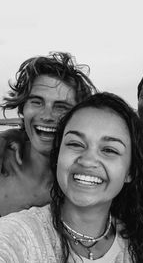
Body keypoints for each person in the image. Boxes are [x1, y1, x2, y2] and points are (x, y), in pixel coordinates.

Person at [0, 92, 143, 263]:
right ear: (58, 156)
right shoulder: (16, 236)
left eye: (109, 150)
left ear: (130, 171)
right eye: (76, 144)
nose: (88, 161)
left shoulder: (142, 243)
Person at [0, 51, 96, 216]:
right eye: (37, 102)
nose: (47, 116)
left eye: (61, 107)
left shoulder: (86, 180)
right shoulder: (3, 162)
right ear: (22, 108)